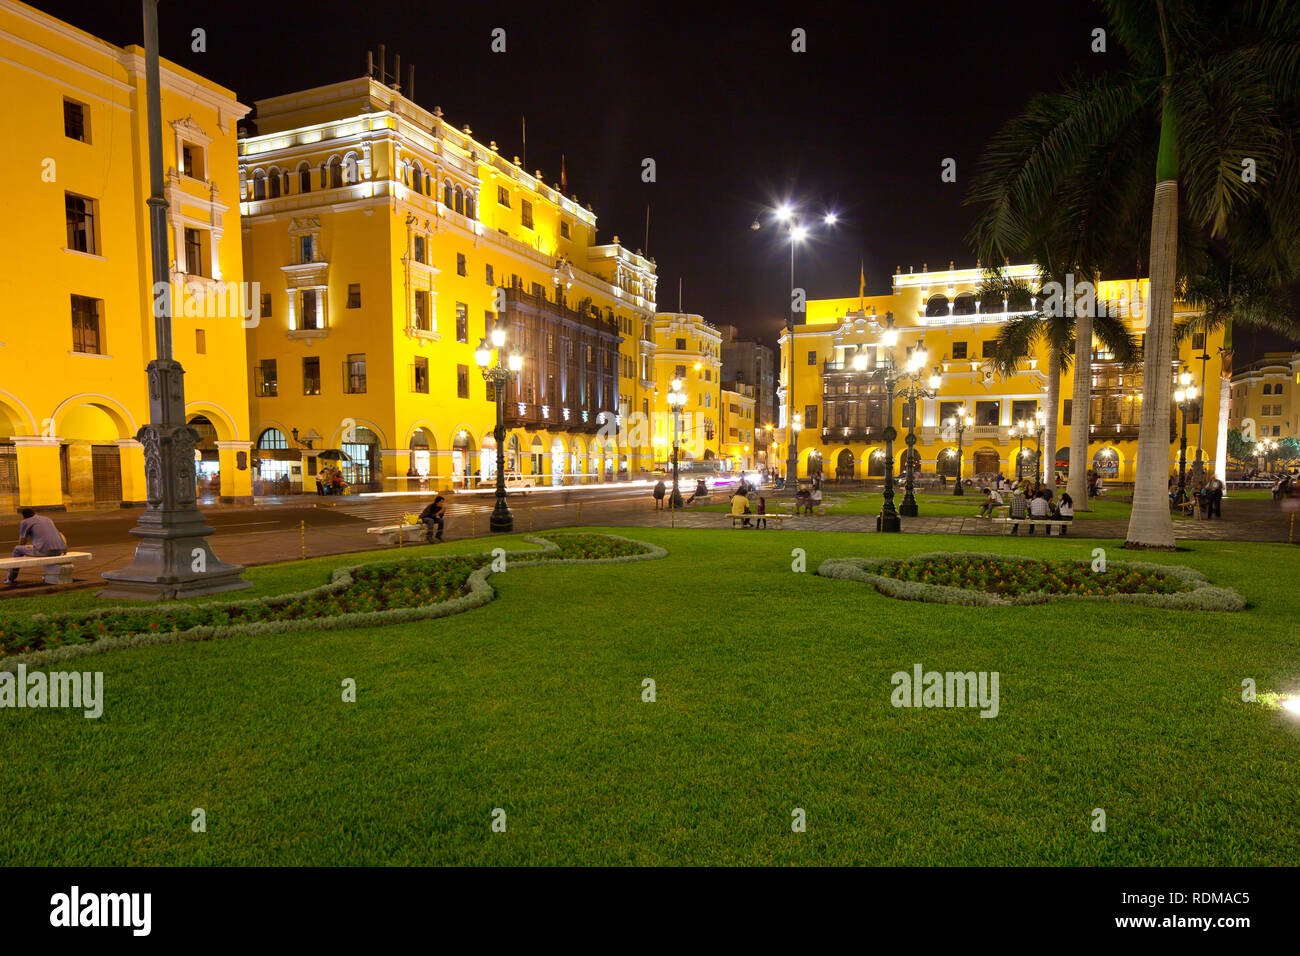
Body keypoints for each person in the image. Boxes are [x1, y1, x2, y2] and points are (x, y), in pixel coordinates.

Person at [5, 508, 66, 586]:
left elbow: (21, 543)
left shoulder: (25, 522)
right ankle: (48, 575)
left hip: (45, 550)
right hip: (60, 550)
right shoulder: (47, 519)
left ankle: (10, 578)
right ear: (35, 513)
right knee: (43, 547)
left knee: (17, 549)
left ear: (23, 517)